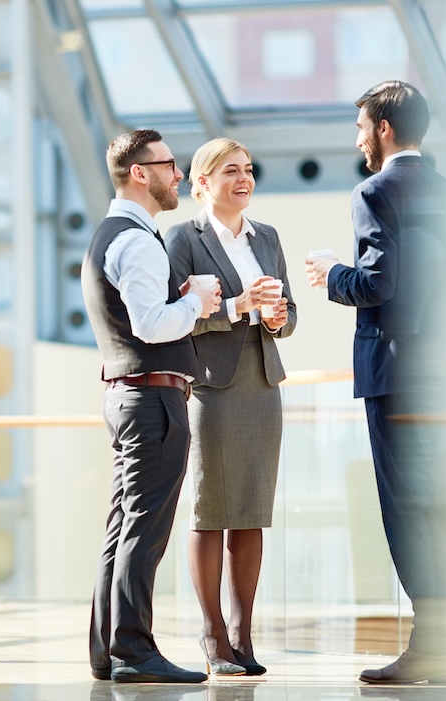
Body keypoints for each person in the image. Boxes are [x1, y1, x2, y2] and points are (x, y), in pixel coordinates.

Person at [304, 81, 446, 684]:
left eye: (360, 128)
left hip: (394, 377)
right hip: (439, 373)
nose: (357, 140)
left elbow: (377, 285)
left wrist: (331, 275)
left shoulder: (375, 192)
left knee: (407, 509)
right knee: (443, 505)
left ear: (382, 128)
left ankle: (431, 643)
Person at [83, 129, 222, 684]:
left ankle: (108, 649)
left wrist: (182, 298)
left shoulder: (111, 234)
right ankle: (133, 652)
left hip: (129, 395)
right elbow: (150, 323)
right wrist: (194, 301)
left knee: (123, 526)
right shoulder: (138, 241)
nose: (178, 175)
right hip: (152, 400)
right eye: (168, 165)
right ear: (140, 172)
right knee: (144, 528)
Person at [163, 137, 295, 677]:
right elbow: (176, 317)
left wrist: (273, 317)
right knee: (210, 511)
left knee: (251, 513)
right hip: (213, 391)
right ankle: (213, 633)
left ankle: (242, 634)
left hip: (263, 388)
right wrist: (238, 309)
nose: (244, 180)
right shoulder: (183, 239)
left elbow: (289, 318)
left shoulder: (267, 237)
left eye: (247, 170)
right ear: (201, 184)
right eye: (229, 172)